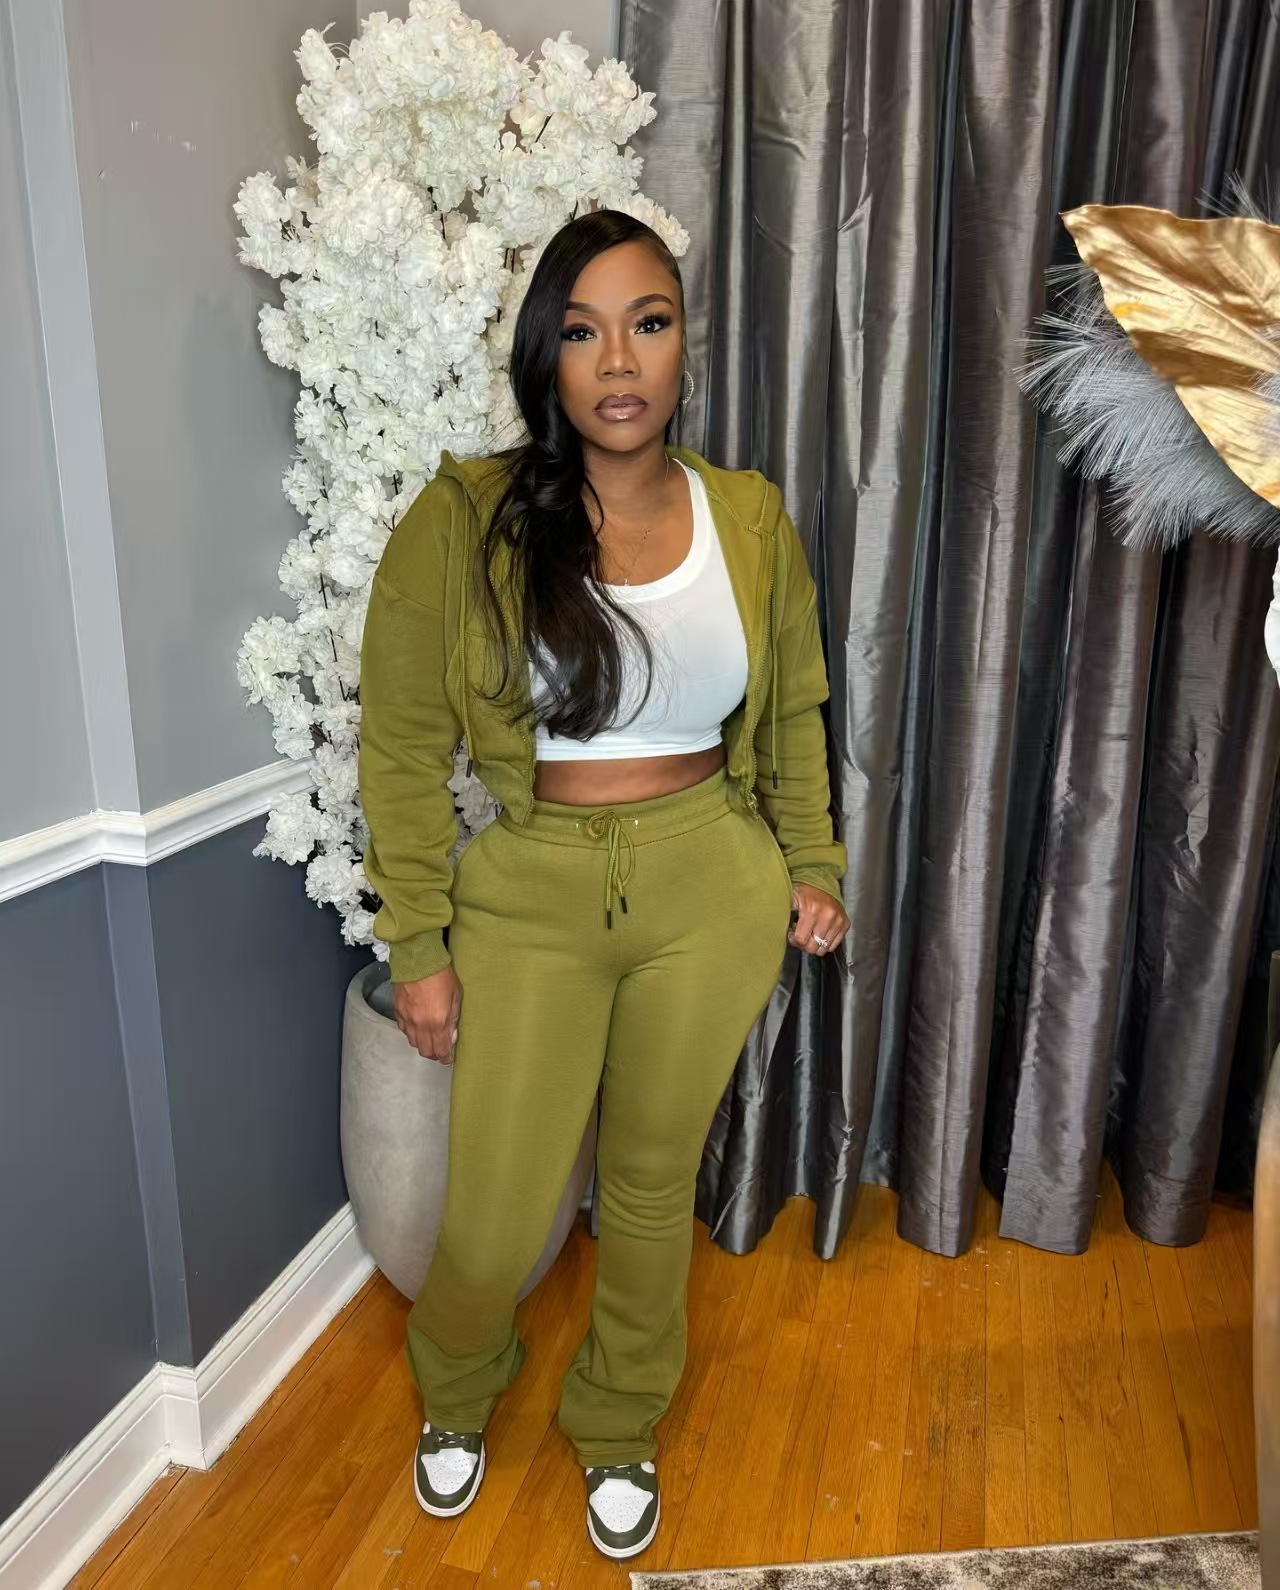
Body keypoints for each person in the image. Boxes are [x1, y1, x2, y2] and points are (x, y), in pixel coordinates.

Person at [358, 209, 849, 1561]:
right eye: (582, 331)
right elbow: (401, 743)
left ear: (685, 343)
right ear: (547, 357)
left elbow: (793, 710)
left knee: (645, 1185)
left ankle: (621, 1416)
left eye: (649, 322)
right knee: (500, 1201)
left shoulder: (748, 518)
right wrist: (419, 943)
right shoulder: (466, 520)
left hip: (710, 882)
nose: (618, 360)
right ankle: (460, 1389)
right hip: (530, 895)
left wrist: (810, 862)